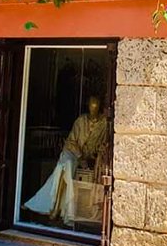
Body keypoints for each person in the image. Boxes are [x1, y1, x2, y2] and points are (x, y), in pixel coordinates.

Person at [23, 95, 107, 225]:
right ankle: (58, 208)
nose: (93, 108)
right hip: (73, 153)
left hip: (89, 156)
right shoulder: (81, 121)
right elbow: (71, 141)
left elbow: (103, 143)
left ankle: (58, 209)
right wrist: (80, 157)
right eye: (91, 105)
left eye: (96, 105)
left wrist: (93, 156)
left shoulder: (103, 124)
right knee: (65, 166)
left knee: (62, 171)